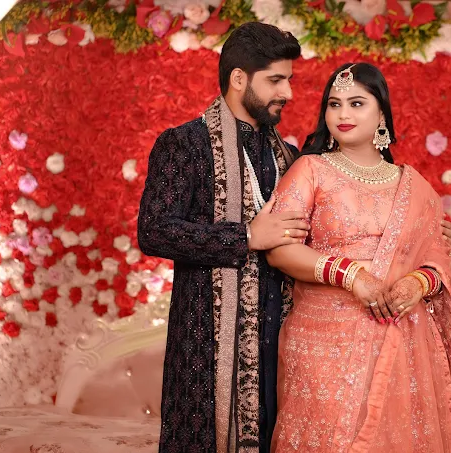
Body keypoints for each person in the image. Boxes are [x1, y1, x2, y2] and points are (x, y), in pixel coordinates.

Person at [266, 63, 451, 452]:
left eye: (357, 103)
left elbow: (437, 257)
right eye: (334, 104)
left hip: (401, 335)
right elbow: (280, 249)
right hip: (322, 344)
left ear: (382, 115)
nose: (343, 113)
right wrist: (351, 275)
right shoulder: (310, 170)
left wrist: (417, 283)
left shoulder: (414, 186)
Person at [138, 22, 309, 453]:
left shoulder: (288, 156)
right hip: (206, 345)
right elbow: (154, 230)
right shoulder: (185, 144)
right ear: (238, 78)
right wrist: (246, 236)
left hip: (279, 336)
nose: (287, 92)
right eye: (276, 80)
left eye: (288, 80)